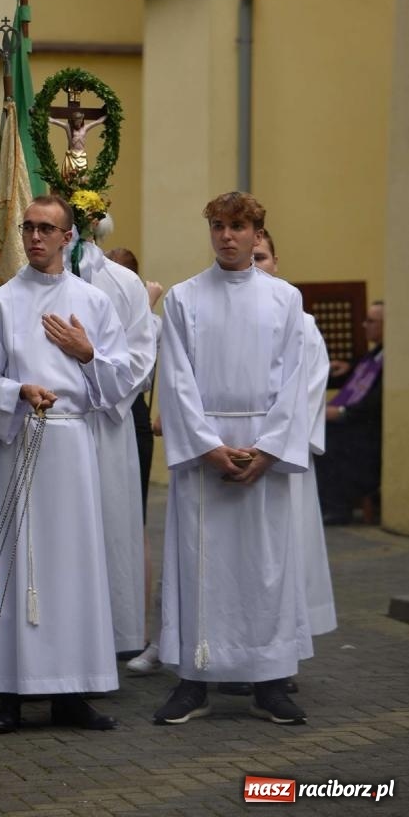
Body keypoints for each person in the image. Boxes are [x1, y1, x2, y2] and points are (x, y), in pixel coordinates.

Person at [0, 195, 133, 734]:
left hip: (72, 449)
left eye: (46, 229)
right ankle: (8, 694)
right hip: (22, 445)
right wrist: (19, 391)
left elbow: (121, 383)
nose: (34, 237)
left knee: (73, 567)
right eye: (28, 228)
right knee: (14, 562)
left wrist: (86, 354)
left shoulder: (93, 302)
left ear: (67, 237)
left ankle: (71, 693)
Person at [154, 191, 311, 726]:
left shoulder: (285, 299)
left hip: (264, 447)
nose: (226, 236)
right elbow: (174, 380)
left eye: (238, 226)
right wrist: (210, 448)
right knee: (202, 566)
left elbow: (296, 382)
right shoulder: (182, 298)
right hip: (208, 453)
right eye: (218, 226)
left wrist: (267, 451)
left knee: (264, 570)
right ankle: (193, 682)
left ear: (256, 232)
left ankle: (269, 682)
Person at [69, 234, 157, 657]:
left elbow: (139, 355)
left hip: (109, 424)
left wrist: (98, 393)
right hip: (51, 424)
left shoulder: (124, 283)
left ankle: (116, 633)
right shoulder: (17, 287)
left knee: (114, 526)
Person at [253, 230, 336, 636]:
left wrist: (268, 444)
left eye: (262, 257)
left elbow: (307, 392)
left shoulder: (303, 324)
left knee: (291, 552)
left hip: (282, 457)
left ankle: (287, 644)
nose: (256, 267)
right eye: (250, 258)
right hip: (233, 451)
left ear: (276, 261)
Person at [316, 301, 384, 526]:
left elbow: (376, 402)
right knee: (317, 436)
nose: (365, 325)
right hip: (356, 423)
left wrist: (342, 412)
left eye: (372, 321)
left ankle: (337, 507)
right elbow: (359, 381)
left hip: (368, 431)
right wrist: (346, 368)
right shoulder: (373, 355)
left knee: (328, 441)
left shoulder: (391, 359)